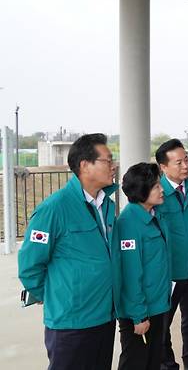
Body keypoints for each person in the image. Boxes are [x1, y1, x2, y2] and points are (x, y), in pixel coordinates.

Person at [18, 133, 120, 370]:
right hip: (71, 324)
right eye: (107, 160)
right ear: (85, 165)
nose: (113, 165)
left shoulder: (106, 204)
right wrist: (56, 296)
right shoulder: (54, 209)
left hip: (104, 316)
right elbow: (30, 266)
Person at [155, 139, 188, 370]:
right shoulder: (156, 193)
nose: (185, 165)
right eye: (179, 162)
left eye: (186, 159)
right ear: (163, 167)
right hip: (169, 273)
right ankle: (167, 364)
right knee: (163, 323)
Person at [116, 163, 170, 370]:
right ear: (141, 191)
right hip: (140, 311)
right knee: (135, 361)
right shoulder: (129, 223)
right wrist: (139, 316)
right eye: (156, 186)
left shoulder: (154, 216)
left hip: (157, 304)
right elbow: (130, 274)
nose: (162, 189)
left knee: (153, 360)